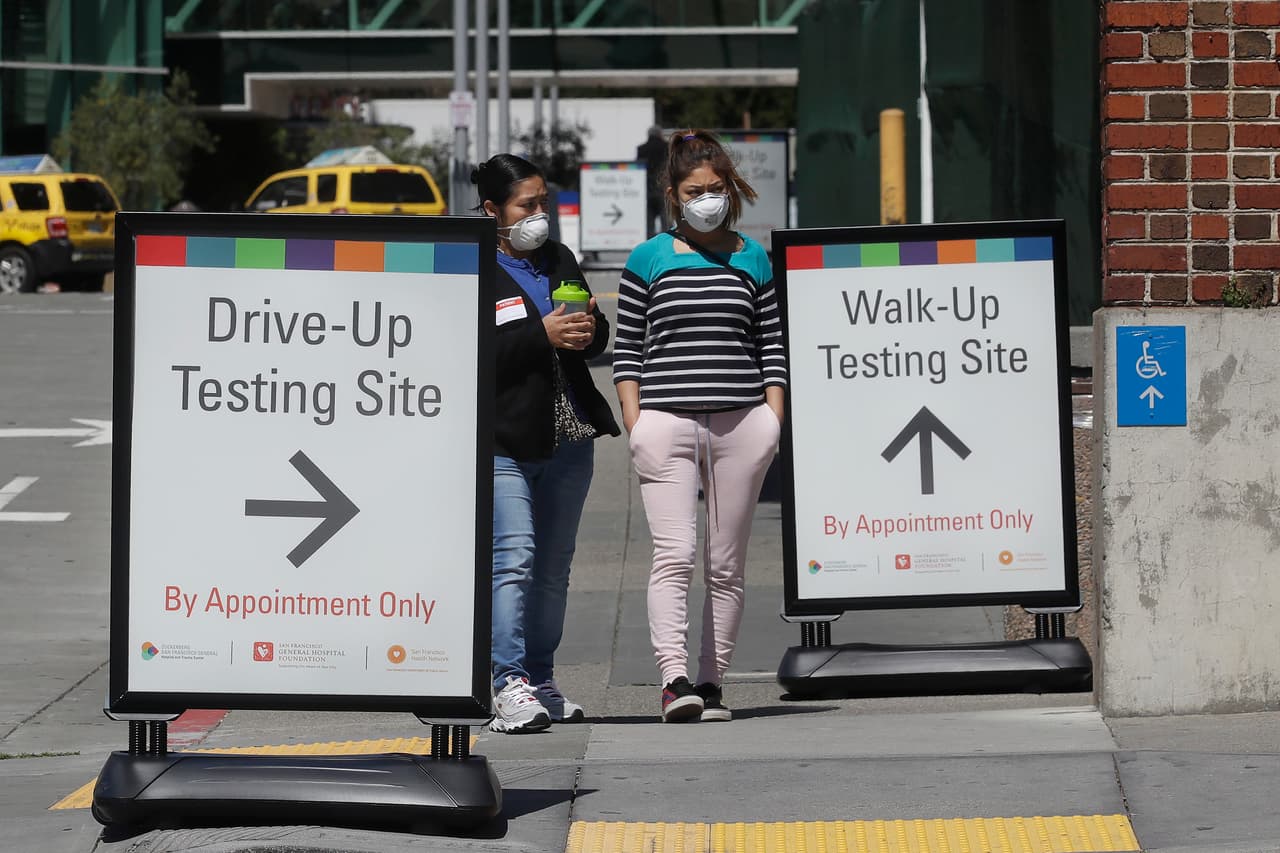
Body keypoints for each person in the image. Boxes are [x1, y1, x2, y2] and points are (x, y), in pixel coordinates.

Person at [612, 130, 786, 723]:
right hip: (665, 423)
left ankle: (712, 684)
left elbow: (773, 344)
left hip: (743, 425)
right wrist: (635, 419)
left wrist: (772, 418)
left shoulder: (752, 257)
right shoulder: (649, 257)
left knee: (728, 562)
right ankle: (675, 680)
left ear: (730, 189)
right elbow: (628, 348)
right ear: (672, 194)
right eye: (695, 190)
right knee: (675, 553)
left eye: (715, 189)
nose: (706, 198)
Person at [477, 154, 620, 733]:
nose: (540, 215)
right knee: (514, 560)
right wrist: (541, 333)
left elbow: (591, 335)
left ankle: (540, 677)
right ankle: (505, 682)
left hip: (569, 437)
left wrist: (590, 330)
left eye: (544, 203)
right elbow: (474, 349)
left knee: (554, 568)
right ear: (493, 211)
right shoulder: (475, 265)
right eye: (526, 205)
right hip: (505, 439)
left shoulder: (559, 258)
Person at [635, 125, 667, 237]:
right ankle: (666, 243)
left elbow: (639, 170)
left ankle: (650, 244)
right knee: (665, 221)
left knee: (649, 222)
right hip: (663, 189)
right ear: (660, 134)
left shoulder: (641, 149)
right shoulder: (666, 147)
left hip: (647, 189)